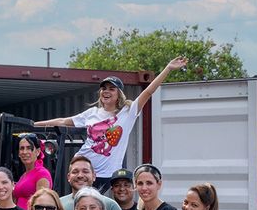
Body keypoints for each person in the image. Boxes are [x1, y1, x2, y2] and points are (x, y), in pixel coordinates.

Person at [34, 57, 187, 191]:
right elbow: (63, 121)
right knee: (82, 205)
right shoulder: (92, 113)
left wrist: (168, 68)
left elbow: (148, 92)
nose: (106, 92)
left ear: (118, 94)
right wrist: (34, 124)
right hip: (83, 168)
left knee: (94, 206)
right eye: (103, 89)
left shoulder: (128, 112)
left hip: (106, 173)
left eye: (111, 89)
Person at [59, 155, 126, 210]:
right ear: (68, 177)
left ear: (94, 176)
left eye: (85, 171)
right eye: (75, 172)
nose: (80, 175)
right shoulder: (58, 204)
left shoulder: (110, 206)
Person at [12, 133, 52, 210]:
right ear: (19, 154)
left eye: (29, 148)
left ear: (37, 151)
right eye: (22, 148)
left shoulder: (42, 174)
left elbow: (41, 205)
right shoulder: (24, 175)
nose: (24, 152)